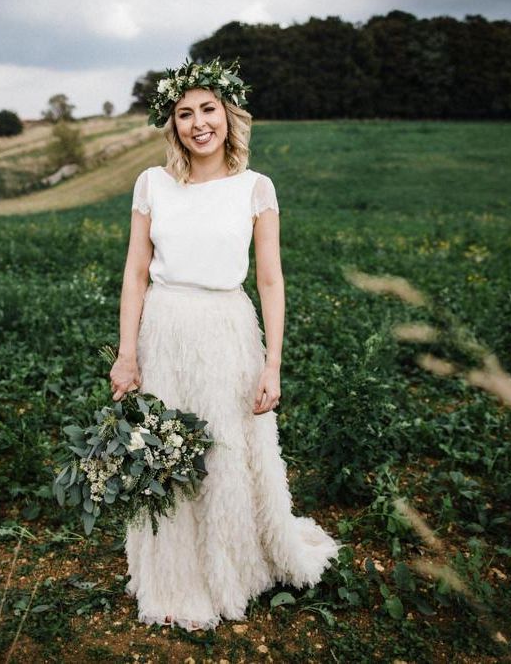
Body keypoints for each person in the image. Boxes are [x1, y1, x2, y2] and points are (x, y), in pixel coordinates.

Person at [109, 57, 341, 632]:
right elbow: (136, 271)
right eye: (184, 113)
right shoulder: (152, 184)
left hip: (227, 330)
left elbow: (269, 280)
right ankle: (173, 577)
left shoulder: (255, 188)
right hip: (165, 328)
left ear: (228, 114)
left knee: (225, 456)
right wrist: (127, 352)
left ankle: (232, 569)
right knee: (168, 453)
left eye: (207, 109)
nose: (197, 123)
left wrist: (274, 364)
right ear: (173, 124)